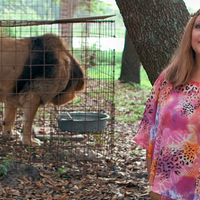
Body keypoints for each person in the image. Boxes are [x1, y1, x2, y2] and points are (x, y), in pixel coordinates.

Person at [134, 9, 200, 200]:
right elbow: (151, 135)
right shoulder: (169, 80)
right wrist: (154, 185)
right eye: (199, 26)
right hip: (167, 191)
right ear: (190, 32)